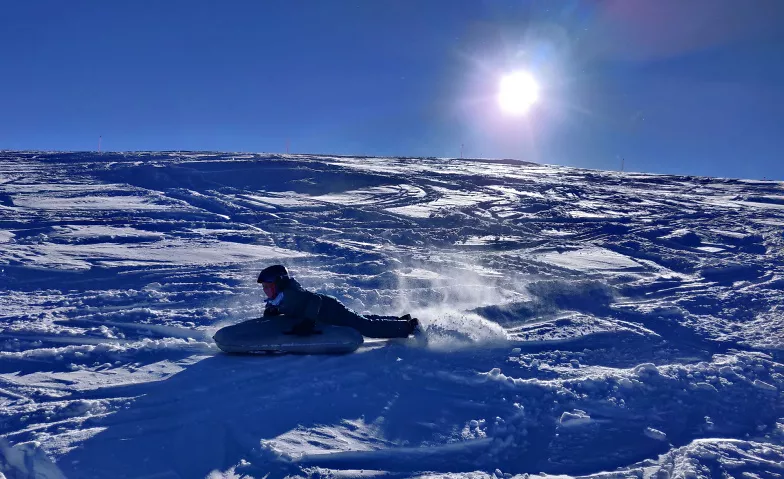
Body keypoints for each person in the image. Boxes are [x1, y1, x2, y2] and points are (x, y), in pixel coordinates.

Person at [257, 264, 420, 338]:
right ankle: (399, 319)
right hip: (329, 311)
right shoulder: (279, 298)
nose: (265, 290)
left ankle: (408, 326)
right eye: (264, 286)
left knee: (366, 327)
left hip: (331, 311)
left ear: (279, 283)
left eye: (268, 286)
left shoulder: (291, 294)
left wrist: (308, 322)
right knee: (361, 318)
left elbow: (315, 300)